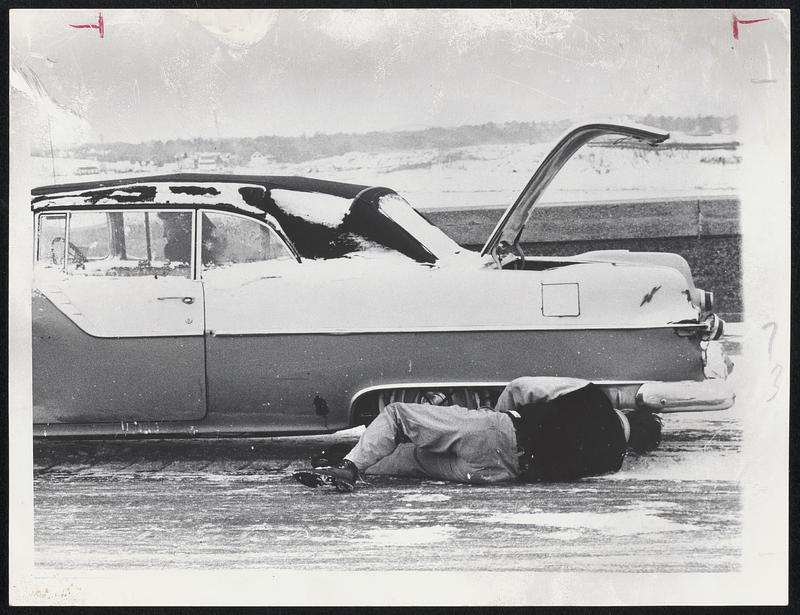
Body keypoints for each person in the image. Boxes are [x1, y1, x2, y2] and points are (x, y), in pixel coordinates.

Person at [293, 377, 662, 492]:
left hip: (498, 432)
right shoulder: (612, 461)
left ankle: (349, 461)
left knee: (399, 417)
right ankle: (349, 464)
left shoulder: (592, 398)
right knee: (416, 462)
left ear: (630, 412)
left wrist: (491, 417)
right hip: (498, 475)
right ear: (636, 445)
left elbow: (522, 388)